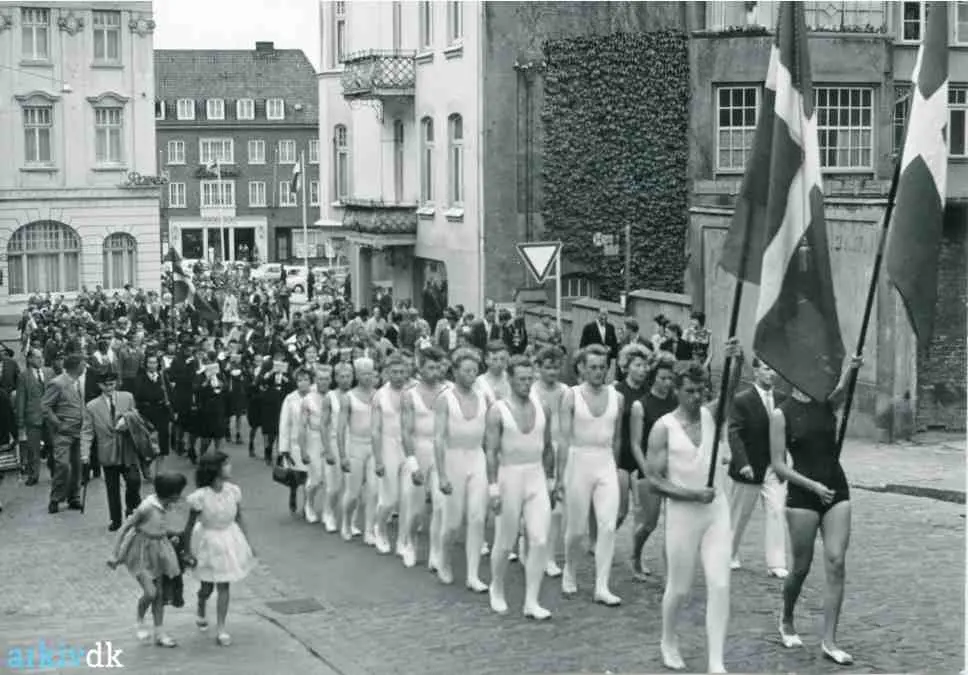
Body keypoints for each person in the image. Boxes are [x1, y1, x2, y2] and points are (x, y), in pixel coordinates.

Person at [644, 359, 735, 674]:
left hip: (716, 512)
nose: (697, 397)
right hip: (683, 514)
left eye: (701, 391)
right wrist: (693, 495)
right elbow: (654, 480)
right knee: (680, 588)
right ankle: (668, 640)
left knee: (720, 585)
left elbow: (730, 390)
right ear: (677, 391)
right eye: (690, 391)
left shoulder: (712, 415)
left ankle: (716, 661)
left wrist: (735, 358)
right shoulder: (663, 428)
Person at [772, 355, 863, 665]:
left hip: (836, 488)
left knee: (837, 561)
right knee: (801, 567)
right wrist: (812, 486)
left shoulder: (827, 403)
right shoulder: (781, 414)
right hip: (803, 495)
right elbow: (778, 466)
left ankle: (830, 641)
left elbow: (842, 391)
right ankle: (786, 617)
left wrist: (852, 369)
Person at [485, 355, 554, 620]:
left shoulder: (543, 407)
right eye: (521, 379)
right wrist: (493, 487)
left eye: (529, 379)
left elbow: (547, 448)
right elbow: (491, 452)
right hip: (509, 476)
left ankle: (531, 601)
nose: (526, 384)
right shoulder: (497, 411)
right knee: (505, 542)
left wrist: (550, 480)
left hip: (535, 476)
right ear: (510, 380)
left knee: (539, 539)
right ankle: (496, 586)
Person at [555, 344, 623, 606]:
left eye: (602, 367)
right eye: (593, 367)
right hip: (578, 461)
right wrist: (560, 475)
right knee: (576, 530)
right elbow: (563, 438)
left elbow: (617, 438)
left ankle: (602, 585)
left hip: (605, 462)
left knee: (608, 526)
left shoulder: (617, 397)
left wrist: (615, 468)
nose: (598, 372)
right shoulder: (571, 396)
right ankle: (570, 571)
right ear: (582, 368)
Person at [183, 451, 256, 647]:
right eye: (225, 464)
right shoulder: (200, 497)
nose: (229, 468)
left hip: (229, 538)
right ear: (215, 469)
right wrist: (187, 550)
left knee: (224, 584)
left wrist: (248, 542)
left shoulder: (233, 491)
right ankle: (201, 603)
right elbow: (189, 526)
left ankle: (221, 627)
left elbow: (239, 517)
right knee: (207, 586)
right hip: (208, 540)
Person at [107, 472, 187, 647]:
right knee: (151, 592)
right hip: (141, 552)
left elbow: (160, 526)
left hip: (160, 550)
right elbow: (125, 528)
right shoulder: (146, 507)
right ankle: (140, 619)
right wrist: (115, 553)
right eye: (179, 492)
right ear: (171, 493)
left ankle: (159, 633)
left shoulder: (166, 505)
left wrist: (168, 536)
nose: (180, 495)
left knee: (159, 594)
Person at [433, 348, 488, 592]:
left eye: (474, 371)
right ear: (455, 372)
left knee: (477, 518)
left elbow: (491, 434)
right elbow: (438, 438)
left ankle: (473, 574)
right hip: (453, 458)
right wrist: (442, 474)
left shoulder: (483, 397)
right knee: (453, 522)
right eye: (466, 371)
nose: (471, 375)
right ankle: (444, 561)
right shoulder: (445, 399)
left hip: (477, 458)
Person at [727, 356, 788, 578]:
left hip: (774, 466)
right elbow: (734, 433)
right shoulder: (742, 400)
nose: (770, 374)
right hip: (750, 466)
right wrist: (742, 463)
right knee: (739, 515)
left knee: (777, 510)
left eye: (773, 370)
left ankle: (776, 562)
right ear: (755, 371)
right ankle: (729, 553)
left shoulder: (782, 399)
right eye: (766, 369)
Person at [627, 353, 679, 578]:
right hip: (649, 470)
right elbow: (635, 443)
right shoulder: (641, 405)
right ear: (653, 378)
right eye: (662, 378)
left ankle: (671, 571)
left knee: (675, 523)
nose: (667, 383)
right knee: (649, 523)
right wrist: (647, 470)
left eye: (670, 378)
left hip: (674, 468)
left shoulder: (676, 402)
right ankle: (635, 554)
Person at [399, 346, 448, 568]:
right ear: (420, 369)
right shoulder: (409, 395)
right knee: (416, 509)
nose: (434, 372)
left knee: (440, 506)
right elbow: (406, 431)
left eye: (438, 367)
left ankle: (435, 553)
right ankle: (410, 543)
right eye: (430, 368)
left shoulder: (448, 391)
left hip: (441, 451)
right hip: (419, 450)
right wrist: (412, 462)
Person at [80, 370, 141, 531]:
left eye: (112, 384)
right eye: (105, 385)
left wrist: (127, 420)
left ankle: (131, 510)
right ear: (99, 385)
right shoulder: (92, 406)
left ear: (117, 383)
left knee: (134, 481)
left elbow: (136, 417)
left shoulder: (127, 397)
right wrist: (85, 453)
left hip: (127, 448)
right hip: (107, 451)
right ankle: (116, 520)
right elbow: (87, 431)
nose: (109, 388)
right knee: (112, 488)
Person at [529, 346, 568, 578]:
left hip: (559, 448)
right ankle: (527, 546)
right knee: (534, 505)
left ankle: (550, 556)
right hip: (536, 450)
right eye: (548, 367)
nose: (552, 372)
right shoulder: (532, 391)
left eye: (556, 367)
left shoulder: (565, 392)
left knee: (557, 509)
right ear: (539, 368)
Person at [372, 353, 409, 555]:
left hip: (407, 446)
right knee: (389, 497)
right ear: (387, 373)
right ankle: (380, 529)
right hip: (387, 445)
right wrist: (378, 459)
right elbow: (375, 430)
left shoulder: (411, 393)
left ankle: (403, 541)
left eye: (402, 372)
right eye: (394, 372)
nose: (398, 376)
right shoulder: (380, 395)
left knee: (407, 497)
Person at [336, 359, 377, 542]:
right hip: (355, 447)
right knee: (353, 493)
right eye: (363, 373)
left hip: (374, 447)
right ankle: (346, 523)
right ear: (357, 375)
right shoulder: (348, 398)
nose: (368, 377)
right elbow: (340, 428)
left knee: (373, 491)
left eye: (370, 373)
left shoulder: (379, 396)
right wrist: (342, 455)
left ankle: (369, 530)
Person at [42, 353, 86, 514]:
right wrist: (58, 424)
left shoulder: (79, 382)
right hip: (63, 432)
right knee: (63, 465)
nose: (85, 367)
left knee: (77, 466)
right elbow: (45, 406)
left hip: (79, 431)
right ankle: (55, 498)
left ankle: (74, 497)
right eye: (83, 364)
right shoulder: (57, 383)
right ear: (76, 366)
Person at [320, 363, 353, 533]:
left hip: (354, 443)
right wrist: (327, 449)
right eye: (342, 376)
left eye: (348, 376)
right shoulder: (330, 397)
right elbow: (323, 425)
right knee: (334, 486)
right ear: (336, 378)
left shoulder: (356, 395)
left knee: (353, 486)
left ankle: (350, 521)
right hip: (335, 442)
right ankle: (328, 513)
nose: (345, 380)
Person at [278, 368, 314, 514]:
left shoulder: (317, 397)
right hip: (295, 444)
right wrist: (283, 448)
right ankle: (293, 493)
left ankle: (307, 505)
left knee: (309, 476)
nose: (303, 383)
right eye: (300, 380)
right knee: (296, 476)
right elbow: (284, 424)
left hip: (312, 442)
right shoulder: (290, 399)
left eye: (306, 380)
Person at [15, 347, 46, 486]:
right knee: (33, 449)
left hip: (49, 416)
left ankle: (56, 472)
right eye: (38, 357)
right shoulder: (23, 376)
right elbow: (20, 399)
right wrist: (20, 420)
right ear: (30, 359)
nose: (41, 360)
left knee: (54, 446)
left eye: (41, 357)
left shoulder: (48, 372)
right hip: (33, 417)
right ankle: (34, 475)